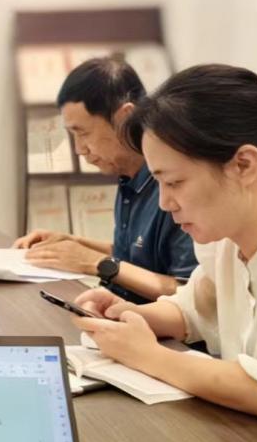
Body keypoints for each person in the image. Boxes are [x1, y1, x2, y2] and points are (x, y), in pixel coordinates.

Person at [72, 64, 257, 427]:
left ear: (243, 164)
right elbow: (196, 309)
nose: (165, 203)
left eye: (174, 182)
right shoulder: (228, 238)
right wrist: (128, 316)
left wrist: (148, 356)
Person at [14, 56, 196, 301]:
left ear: (125, 117)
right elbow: (133, 259)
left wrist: (95, 262)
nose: (79, 149)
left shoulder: (174, 185)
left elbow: (190, 292)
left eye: (83, 133)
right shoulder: (128, 176)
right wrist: (70, 243)